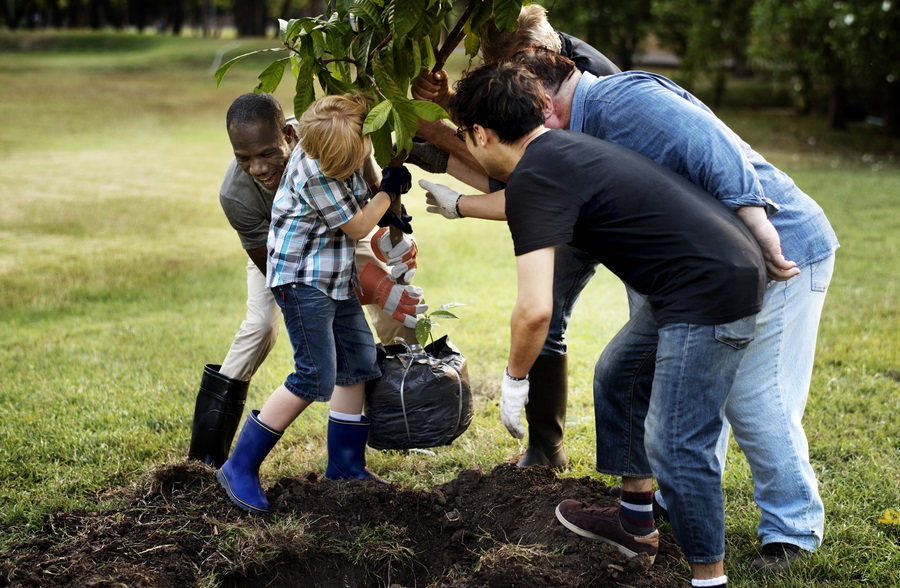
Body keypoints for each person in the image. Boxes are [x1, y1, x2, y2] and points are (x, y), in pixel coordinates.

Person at [474, 49, 835, 571]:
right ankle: (643, 511)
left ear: (549, 101)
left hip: (780, 246)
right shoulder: (570, 138)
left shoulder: (624, 102)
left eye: (538, 110)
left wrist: (759, 227)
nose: (536, 123)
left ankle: (791, 532)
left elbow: (715, 146)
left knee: (752, 399)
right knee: (622, 372)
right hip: (697, 268)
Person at [409, 3, 622, 470]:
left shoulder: (583, 85)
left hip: (623, 213)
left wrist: (440, 136)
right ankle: (545, 449)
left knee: (614, 343)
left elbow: (527, 180)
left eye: (510, 70)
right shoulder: (535, 65)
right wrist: (448, 106)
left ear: (534, 53)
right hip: (575, 196)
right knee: (551, 315)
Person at [189, 92, 424, 471]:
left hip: (332, 246)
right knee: (282, 345)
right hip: (290, 263)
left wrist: (391, 226)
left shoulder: (329, 135)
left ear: (289, 135)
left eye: (267, 153)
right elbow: (286, 266)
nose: (258, 168)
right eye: (244, 158)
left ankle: (359, 456)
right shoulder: (248, 192)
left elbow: (365, 203)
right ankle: (218, 459)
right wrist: (371, 283)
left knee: (362, 356)